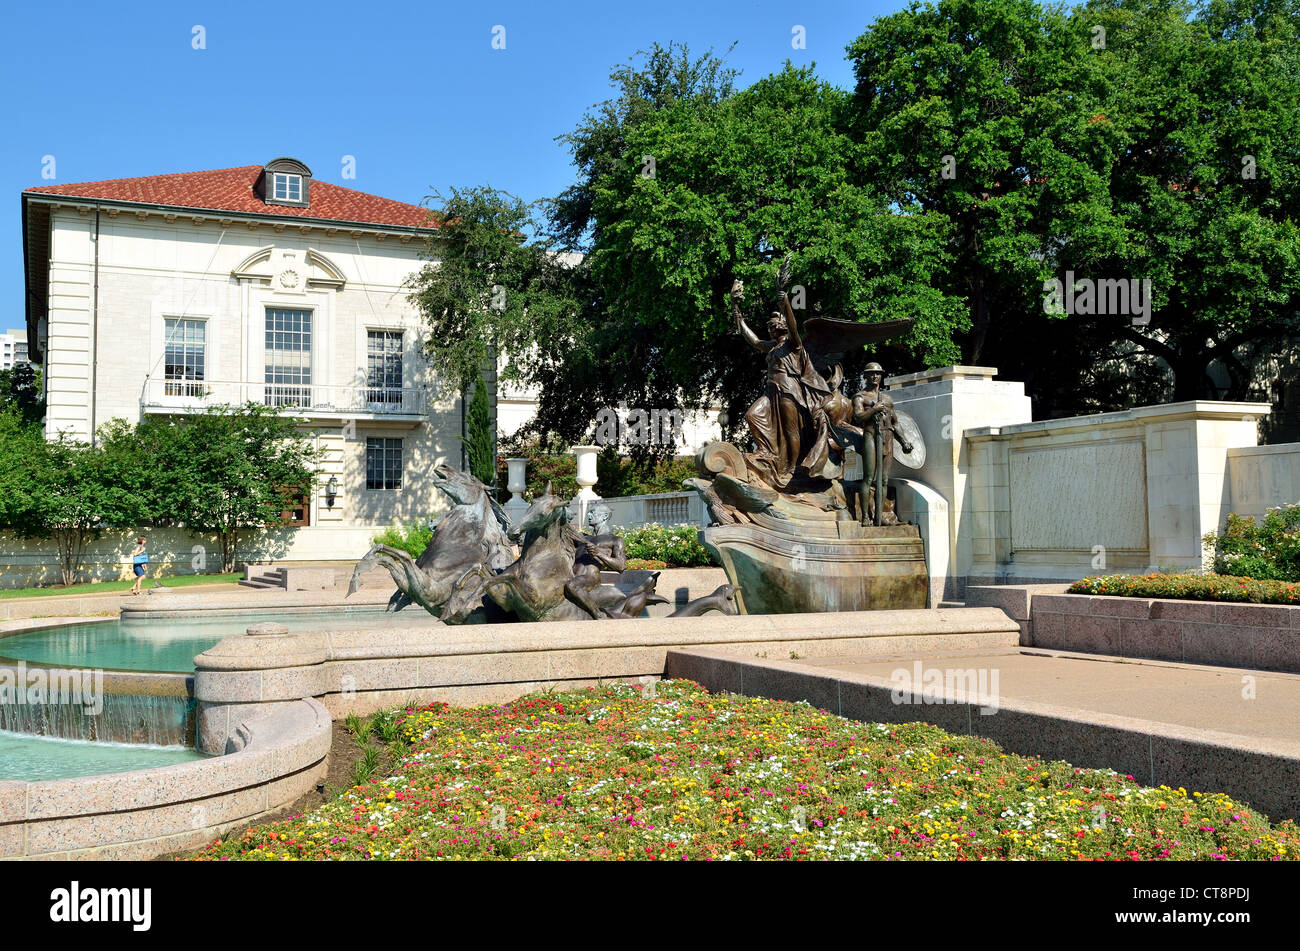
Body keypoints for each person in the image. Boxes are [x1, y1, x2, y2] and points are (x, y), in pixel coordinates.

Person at [731, 279, 832, 488]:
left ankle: (793, 469)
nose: (770, 327)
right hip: (771, 391)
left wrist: (785, 301)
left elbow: (794, 325)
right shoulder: (771, 347)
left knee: (791, 431)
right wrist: (736, 310)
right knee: (752, 415)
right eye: (769, 325)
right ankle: (767, 451)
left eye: (774, 324)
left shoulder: (794, 344)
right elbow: (754, 341)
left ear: (784, 327)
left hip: (788, 391)